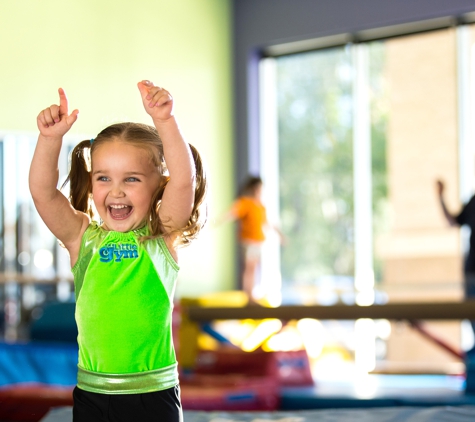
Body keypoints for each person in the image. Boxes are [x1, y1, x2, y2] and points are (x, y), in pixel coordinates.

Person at [29, 80, 207, 422]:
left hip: (153, 393)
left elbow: (185, 181)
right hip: (94, 393)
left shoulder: (162, 236)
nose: (117, 192)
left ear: (158, 185)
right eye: (104, 178)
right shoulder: (82, 239)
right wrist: (49, 140)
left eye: (132, 179)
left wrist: (165, 122)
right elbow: (43, 193)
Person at [218, 175, 284, 302]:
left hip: (258, 241)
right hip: (248, 241)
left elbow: (268, 223)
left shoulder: (260, 206)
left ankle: (251, 294)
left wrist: (280, 235)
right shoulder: (245, 202)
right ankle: (249, 296)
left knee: (253, 268)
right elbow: (233, 212)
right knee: (249, 268)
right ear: (253, 188)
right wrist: (220, 220)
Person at [436, 180, 475, 345]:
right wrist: (440, 196)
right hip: (472, 271)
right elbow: (453, 221)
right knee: (470, 314)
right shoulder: (474, 201)